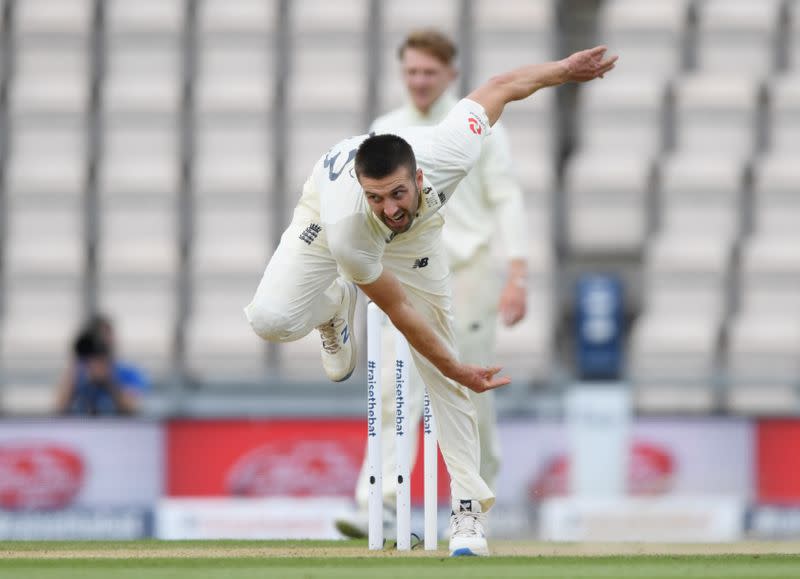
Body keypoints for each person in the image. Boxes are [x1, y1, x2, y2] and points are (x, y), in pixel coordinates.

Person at [244, 46, 616, 556]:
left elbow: (503, 85)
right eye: (376, 197)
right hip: (329, 216)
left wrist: (564, 72)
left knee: (444, 371)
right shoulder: (353, 226)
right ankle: (333, 306)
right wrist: (455, 364)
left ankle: (467, 516)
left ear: (419, 178)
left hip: (419, 246)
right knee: (270, 320)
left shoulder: (448, 151)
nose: (389, 207)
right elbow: (398, 312)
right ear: (362, 188)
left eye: (397, 194)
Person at [335, 29, 530, 542]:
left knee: (470, 388)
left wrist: (518, 271)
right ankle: (380, 501)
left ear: (450, 75)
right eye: (411, 72)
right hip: (403, 274)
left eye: (429, 72)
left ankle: (472, 503)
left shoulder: (476, 125)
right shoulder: (385, 130)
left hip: (466, 273)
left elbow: (505, 196)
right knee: (392, 390)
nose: (419, 81)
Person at [55, 314, 150, 416]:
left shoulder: (128, 372)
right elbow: (59, 408)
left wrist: (109, 380)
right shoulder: (78, 371)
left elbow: (132, 408)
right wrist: (76, 366)